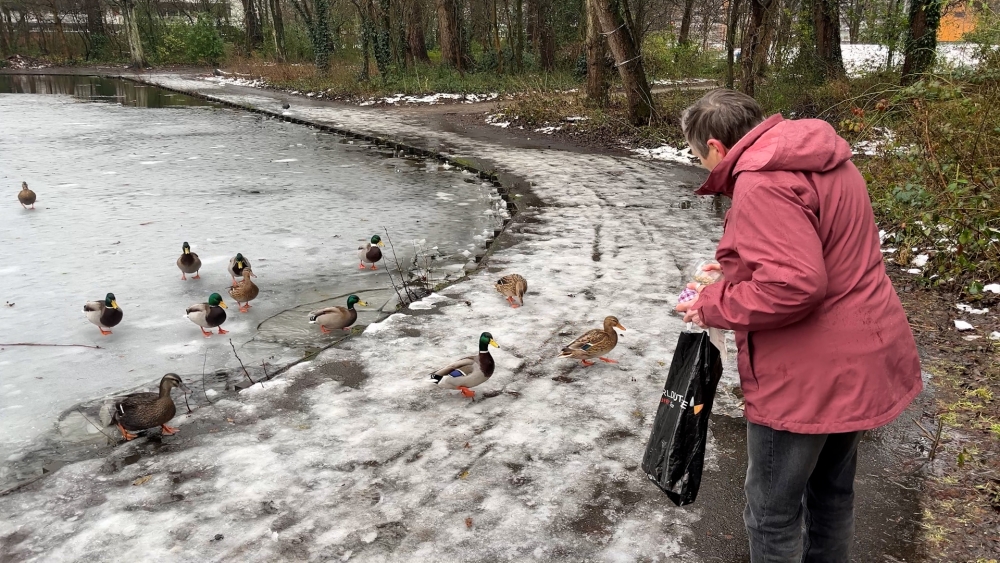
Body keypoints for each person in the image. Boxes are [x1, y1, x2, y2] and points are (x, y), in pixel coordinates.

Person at [674, 89, 922, 562]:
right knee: (831, 492)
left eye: (697, 157)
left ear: (715, 147)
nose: (701, 166)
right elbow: (823, 246)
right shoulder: (826, 158)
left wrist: (713, 302)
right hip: (862, 353)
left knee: (771, 512)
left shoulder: (761, 183)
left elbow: (795, 286)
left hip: (807, 373)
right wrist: (740, 267)